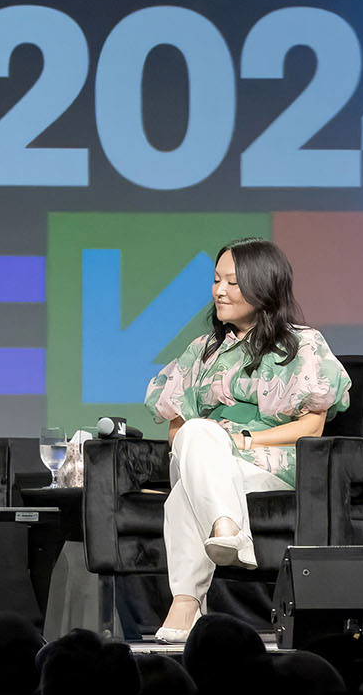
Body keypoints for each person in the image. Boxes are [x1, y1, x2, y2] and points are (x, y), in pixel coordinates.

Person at [145, 239, 349, 644]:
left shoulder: (301, 345)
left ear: (264, 286)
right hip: (207, 456)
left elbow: (312, 426)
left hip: (269, 461)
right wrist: (194, 446)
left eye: (233, 283)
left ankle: (186, 602)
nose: (219, 291)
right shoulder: (202, 350)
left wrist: (246, 439)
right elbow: (176, 422)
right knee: (197, 432)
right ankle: (229, 528)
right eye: (217, 280)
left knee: (184, 493)